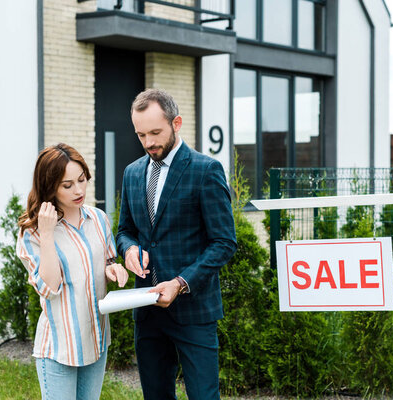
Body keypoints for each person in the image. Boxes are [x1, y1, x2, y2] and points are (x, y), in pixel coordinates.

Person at [116, 88, 237, 400]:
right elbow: (125, 231)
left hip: (194, 312)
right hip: (146, 311)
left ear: (176, 123)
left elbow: (224, 242)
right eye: (141, 134)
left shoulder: (205, 170)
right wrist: (129, 249)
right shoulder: (131, 173)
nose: (148, 143)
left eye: (155, 132)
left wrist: (181, 283)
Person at [16, 143, 129, 400]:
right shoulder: (32, 233)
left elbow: (108, 260)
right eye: (67, 185)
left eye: (82, 180)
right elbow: (49, 287)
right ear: (50, 186)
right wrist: (47, 233)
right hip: (59, 348)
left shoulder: (98, 219)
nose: (79, 190)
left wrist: (114, 269)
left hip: (97, 341)